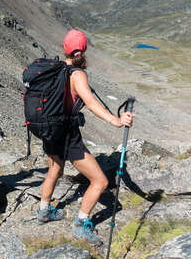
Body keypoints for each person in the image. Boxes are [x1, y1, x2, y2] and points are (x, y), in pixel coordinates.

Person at [37, 29, 134, 245]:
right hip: (67, 135)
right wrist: (115, 121)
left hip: (49, 130)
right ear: (85, 49)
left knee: (55, 169)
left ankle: (44, 211)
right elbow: (89, 102)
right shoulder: (77, 75)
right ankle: (81, 224)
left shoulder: (55, 69)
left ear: (65, 49)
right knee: (100, 181)